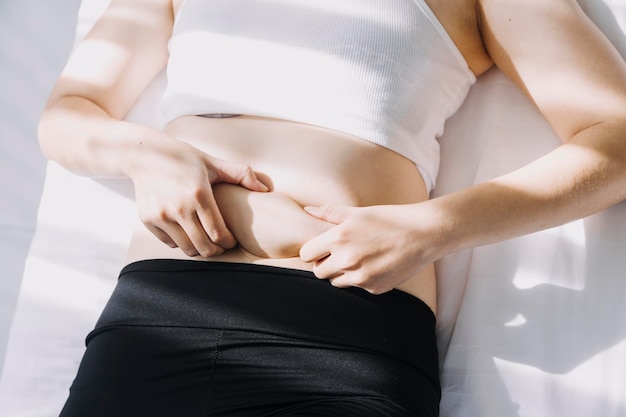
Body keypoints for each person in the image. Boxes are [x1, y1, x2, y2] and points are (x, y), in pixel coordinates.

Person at [37, 0, 626, 416]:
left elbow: (616, 138)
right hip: (158, 317)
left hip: (342, 330)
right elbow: (71, 109)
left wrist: (434, 228)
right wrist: (144, 155)